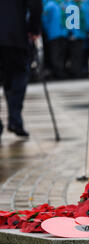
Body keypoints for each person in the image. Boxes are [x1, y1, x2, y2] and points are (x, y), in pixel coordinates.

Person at [0, 0, 43, 140]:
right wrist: (34, 29)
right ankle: (15, 120)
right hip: (15, 35)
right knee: (18, 75)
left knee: (13, 77)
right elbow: (36, 5)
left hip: (14, 36)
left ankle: (14, 121)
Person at [42, 0, 69, 79]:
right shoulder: (50, 5)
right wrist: (48, 30)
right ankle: (57, 72)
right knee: (55, 54)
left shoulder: (64, 4)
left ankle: (60, 71)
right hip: (54, 33)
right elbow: (45, 19)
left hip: (63, 33)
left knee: (62, 53)